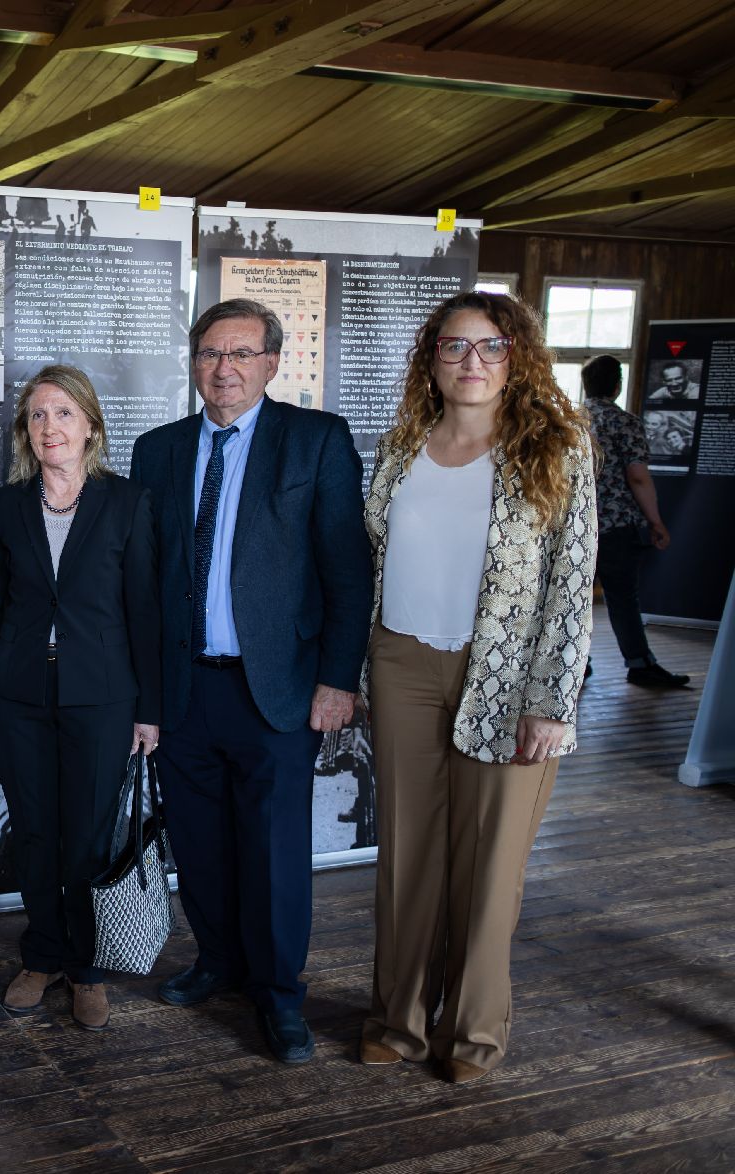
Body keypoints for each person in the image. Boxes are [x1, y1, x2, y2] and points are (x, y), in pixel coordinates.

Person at [358, 293, 596, 1083]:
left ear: (517, 355)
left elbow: (572, 581)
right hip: (401, 665)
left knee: (490, 865)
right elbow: (374, 558)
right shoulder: (402, 446)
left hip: (506, 673)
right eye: (454, 348)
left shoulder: (558, 446)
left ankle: (473, 1037)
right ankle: (399, 1021)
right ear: (431, 358)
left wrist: (552, 701)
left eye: (489, 347)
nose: (471, 364)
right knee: (407, 855)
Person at [130, 298, 371, 1065]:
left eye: (240, 354)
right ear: (193, 362)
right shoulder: (158, 450)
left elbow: (346, 568)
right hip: (183, 687)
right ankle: (218, 961)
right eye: (209, 353)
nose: (223, 369)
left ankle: (276, 994)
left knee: (272, 849)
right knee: (198, 844)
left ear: (273, 362)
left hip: (278, 689)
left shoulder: (316, 441)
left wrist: (338, 679)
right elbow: (146, 580)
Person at [0, 364, 158, 1032]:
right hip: (18, 692)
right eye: (38, 416)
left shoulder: (127, 502)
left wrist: (149, 709)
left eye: (64, 414)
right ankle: (42, 953)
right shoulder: (5, 507)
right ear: (27, 430)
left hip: (102, 695)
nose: (51, 427)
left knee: (86, 835)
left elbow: (145, 610)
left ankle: (87, 967)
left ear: (90, 426)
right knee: (36, 830)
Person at [582, 355, 689, 688]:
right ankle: (640, 664)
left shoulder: (566, 421)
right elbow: (638, 478)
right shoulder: (624, 422)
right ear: (617, 385)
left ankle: (574, 663)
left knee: (572, 598)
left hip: (571, 526)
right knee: (622, 597)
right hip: (615, 526)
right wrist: (656, 522)